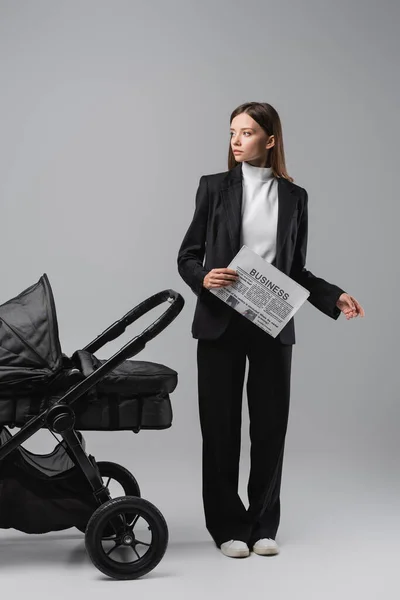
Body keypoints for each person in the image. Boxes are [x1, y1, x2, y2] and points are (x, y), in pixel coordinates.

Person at [177, 102, 365, 559]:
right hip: (221, 321)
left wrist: (332, 296)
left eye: (246, 132)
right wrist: (202, 277)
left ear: (271, 140)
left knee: (269, 428)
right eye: (232, 132)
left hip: (272, 321)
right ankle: (226, 527)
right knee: (220, 430)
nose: (236, 140)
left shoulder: (295, 197)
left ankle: (262, 524)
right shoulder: (212, 188)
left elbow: (295, 269)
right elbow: (187, 255)